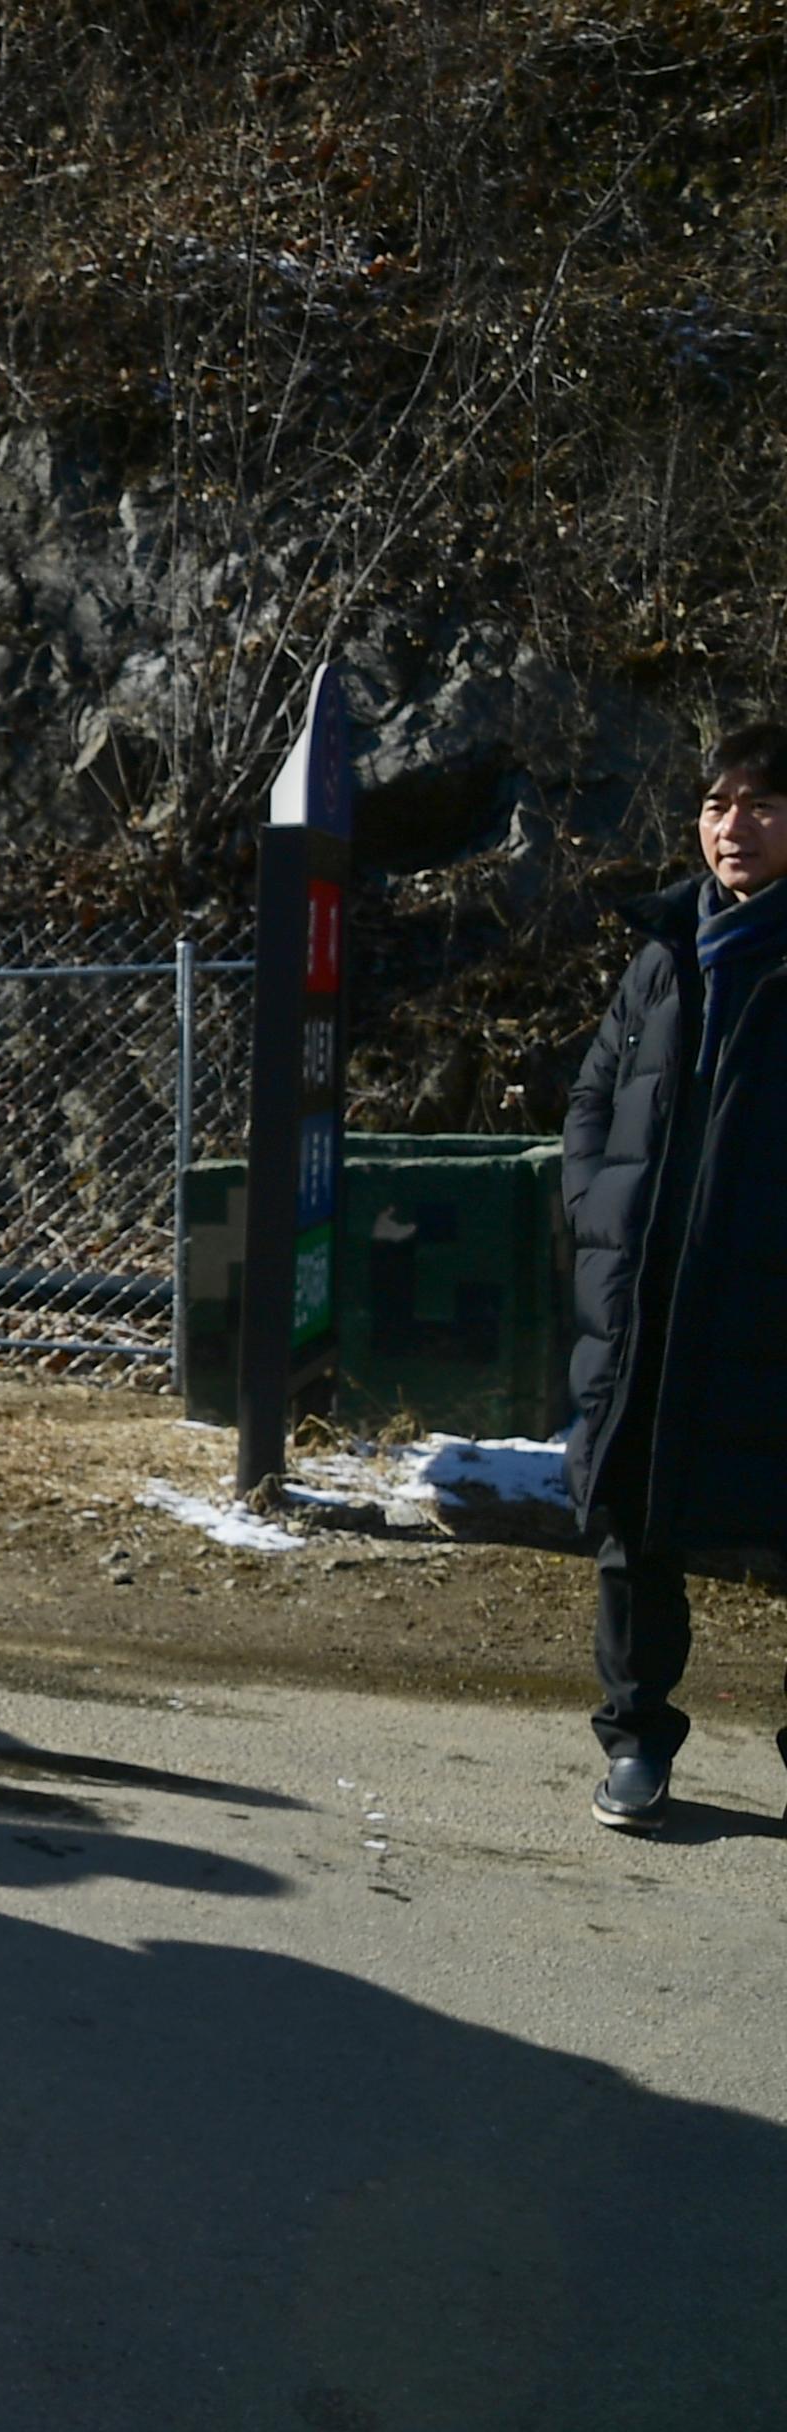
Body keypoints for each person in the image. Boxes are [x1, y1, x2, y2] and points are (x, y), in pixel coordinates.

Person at [563, 721, 787, 1832]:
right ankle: (636, 1740)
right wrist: (595, 1212)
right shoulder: (664, 950)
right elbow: (594, 1098)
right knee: (632, 1529)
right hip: (650, 1297)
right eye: (715, 802)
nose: (731, 825)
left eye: (760, 803)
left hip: (765, 1303)